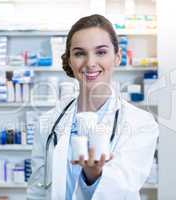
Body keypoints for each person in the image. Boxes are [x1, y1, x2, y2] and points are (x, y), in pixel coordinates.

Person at [27, 14, 159, 200]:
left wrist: (93, 176)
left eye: (101, 52)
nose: (90, 63)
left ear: (117, 57)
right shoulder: (48, 122)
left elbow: (126, 187)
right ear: (70, 60)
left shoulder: (141, 123)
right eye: (80, 53)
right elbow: (37, 189)